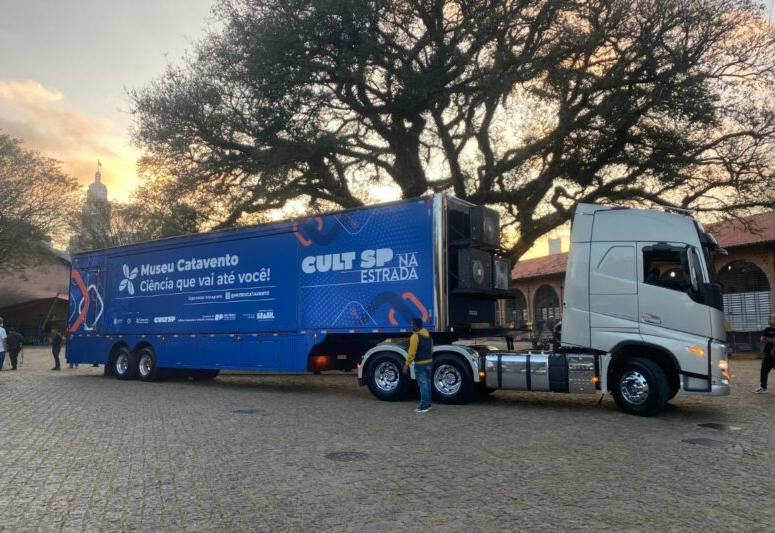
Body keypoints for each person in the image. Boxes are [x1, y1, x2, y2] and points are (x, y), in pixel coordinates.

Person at [403, 317, 434, 413]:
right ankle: (428, 404)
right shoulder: (428, 335)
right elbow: (431, 348)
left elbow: (411, 352)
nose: (411, 326)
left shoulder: (415, 337)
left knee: (423, 385)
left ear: (415, 326)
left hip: (420, 364)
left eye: (412, 324)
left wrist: (406, 364)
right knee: (427, 384)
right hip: (429, 362)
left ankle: (424, 406)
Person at [754, 314, 775, 393]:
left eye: (770, 319)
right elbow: (762, 340)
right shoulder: (767, 329)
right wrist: (771, 339)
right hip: (769, 353)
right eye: (768, 318)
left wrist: (768, 338)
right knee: (764, 370)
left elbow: (766, 339)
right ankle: (763, 387)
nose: (768, 320)